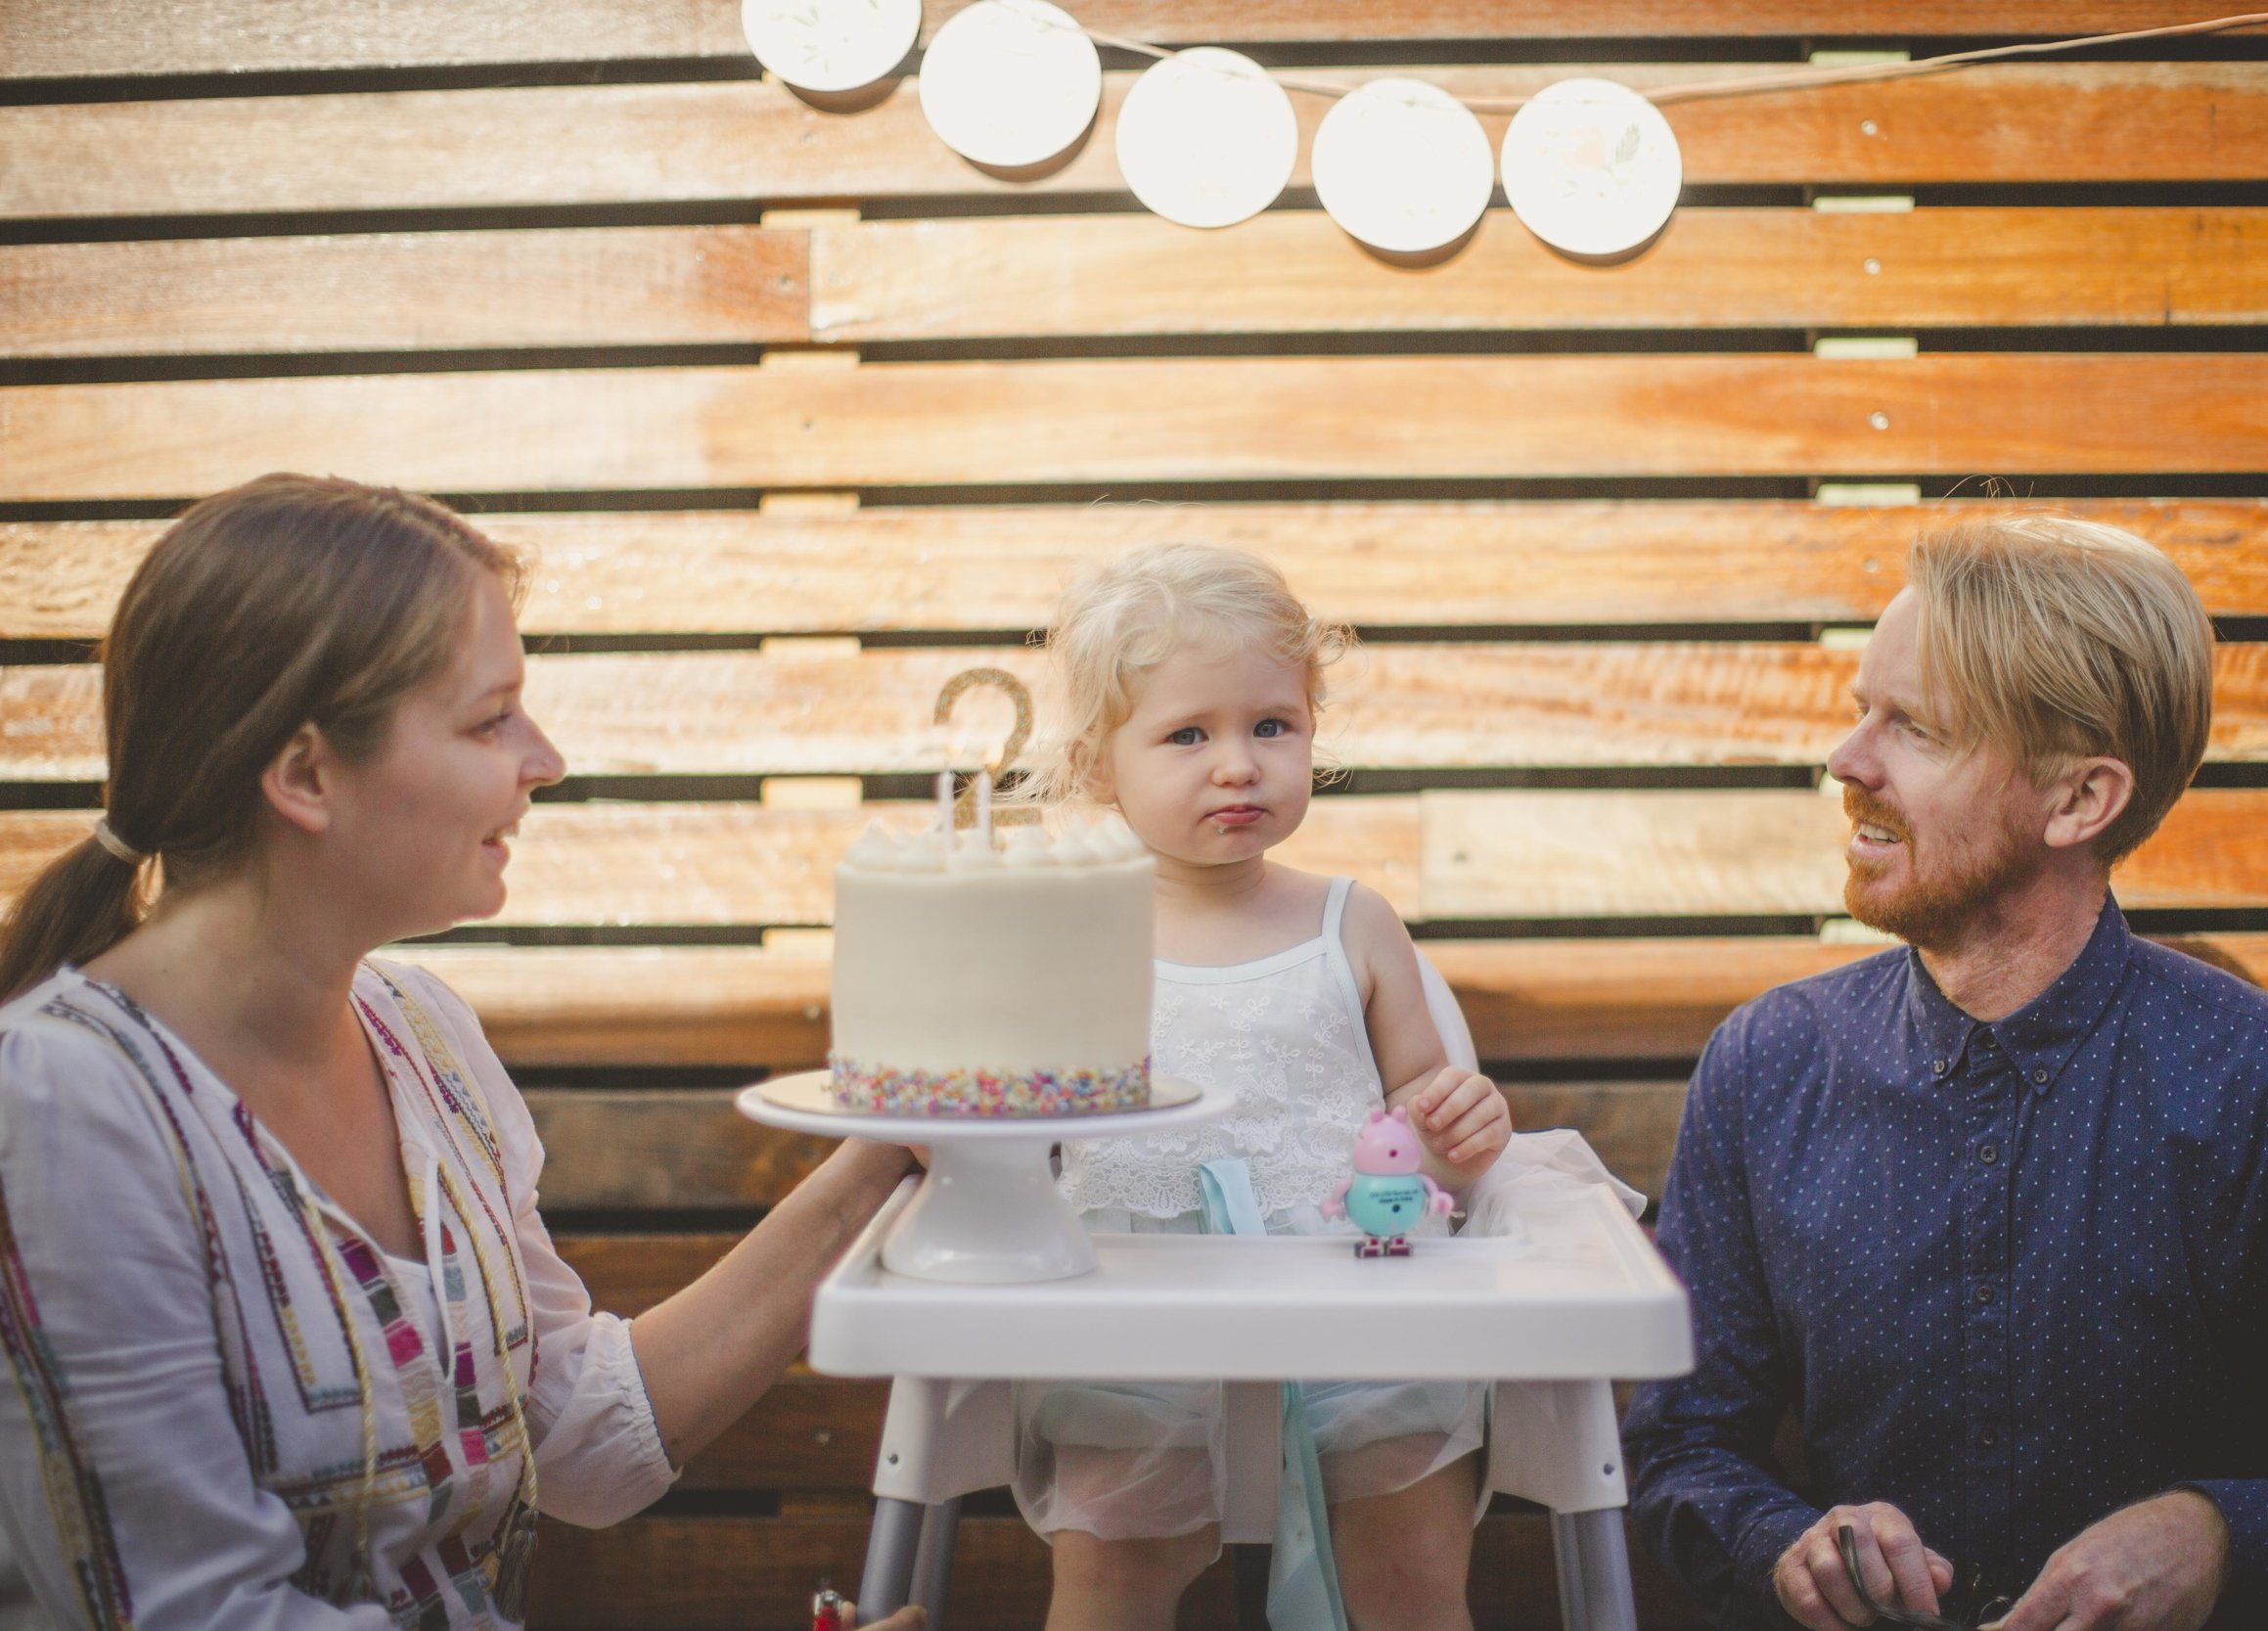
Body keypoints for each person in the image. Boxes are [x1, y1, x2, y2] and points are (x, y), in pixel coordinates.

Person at [0, 475, 923, 1631]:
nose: (546, 757)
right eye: (492, 718)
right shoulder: (56, 1107)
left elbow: (572, 1435)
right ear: (305, 774)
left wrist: (895, 1147)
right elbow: (200, 1613)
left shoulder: (419, 1029)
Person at [1621, 515, 2268, 1630]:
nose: (1847, 759)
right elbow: (1677, 1438)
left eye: (1913, 727)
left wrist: (2216, 1532)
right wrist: (1785, 1546)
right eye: (1862, 707)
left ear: (2077, 801)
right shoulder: (1767, 1065)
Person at [1009, 543, 1515, 1631]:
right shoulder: (1075, 933)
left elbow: (1420, 1108)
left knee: (1412, 1570)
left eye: (1269, 725)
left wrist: (1455, 1125)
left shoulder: (1354, 921)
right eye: (1187, 734)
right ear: (1100, 763)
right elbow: (1020, 1126)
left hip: (1354, 1313)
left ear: (1311, 729)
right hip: (1137, 1324)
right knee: (1107, 1579)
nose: (1236, 763)